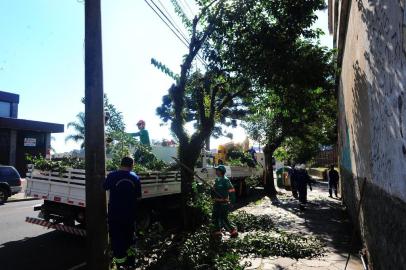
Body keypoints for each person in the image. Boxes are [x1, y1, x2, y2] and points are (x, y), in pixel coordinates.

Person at [104, 157, 142, 269]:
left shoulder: (112, 175)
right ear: (132, 165)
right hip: (129, 216)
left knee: (117, 240)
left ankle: (120, 264)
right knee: (130, 239)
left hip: (114, 215)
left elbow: (104, 186)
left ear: (120, 164)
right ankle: (131, 264)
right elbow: (139, 197)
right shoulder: (135, 177)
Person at [211, 165, 238, 238]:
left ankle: (233, 230)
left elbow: (232, 191)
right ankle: (217, 232)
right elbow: (213, 191)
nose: (216, 171)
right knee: (215, 216)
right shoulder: (217, 180)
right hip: (217, 202)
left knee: (223, 218)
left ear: (221, 171)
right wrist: (212, 190)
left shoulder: (226, 180)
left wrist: (232, 202)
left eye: (217, 170)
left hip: (224, 202)